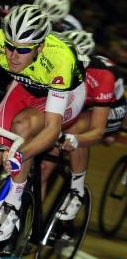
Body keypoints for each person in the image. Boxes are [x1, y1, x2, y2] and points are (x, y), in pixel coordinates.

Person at [0, 4, 86, 255]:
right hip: (24, 87)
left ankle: (13, 203)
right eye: (10, 46)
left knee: (22, 128)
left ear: (39, 47)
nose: (12, 55)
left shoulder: (59, 59)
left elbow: (52, 128)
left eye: (22, 50)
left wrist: (20, 154)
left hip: (64, 97)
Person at [43, 30, 126, 219]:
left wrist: (105, 135)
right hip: (85, 103)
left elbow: (96, 126)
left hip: (111, 107)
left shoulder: (102, 74)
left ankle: (76, 191)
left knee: (76, 130)